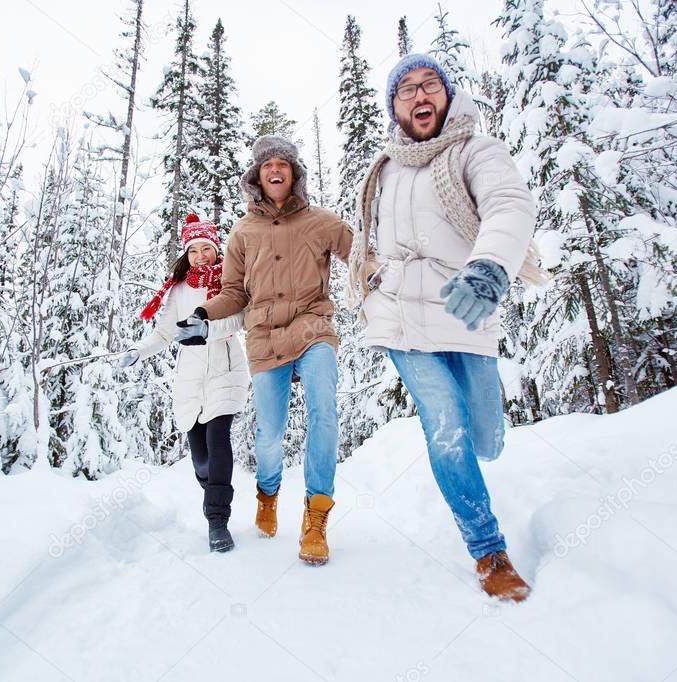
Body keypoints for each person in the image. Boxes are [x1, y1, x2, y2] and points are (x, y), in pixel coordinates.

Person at [347, 54, 546, 601]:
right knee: (446, 424)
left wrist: (488, 267)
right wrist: (373, 273)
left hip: (464, 310)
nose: (418, 95)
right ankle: (489, 552)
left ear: (447, 96)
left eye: (428, 84)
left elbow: (508, 205)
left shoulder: (475, 151)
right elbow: (370, 236)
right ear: (394, 106)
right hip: (400, 321)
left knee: (486, 437)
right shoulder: (383, 169)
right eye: (406, 89)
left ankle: (483, 456)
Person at [175, 135, 369, 566]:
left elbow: (361, 256)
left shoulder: (320, 222)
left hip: (313, 327)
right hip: (263, 338)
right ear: (257, 177)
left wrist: (382, 276)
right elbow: (233, 293)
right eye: (267, 166)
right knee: (270, 434)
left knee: (324, 411)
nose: (276, 170)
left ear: (294, 173)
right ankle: (268, 493)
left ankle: (316, 517)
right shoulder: (244, 232)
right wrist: (204, 313)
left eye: (283, 163)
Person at [121, 214, 249, 553]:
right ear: (186, 254)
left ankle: (217, 521)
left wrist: (207, 330)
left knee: (218, 437)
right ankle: (210, 488)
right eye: (194, 250)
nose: (201, 256)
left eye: (207, 248)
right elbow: (165, 332)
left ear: (216, 249)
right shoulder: (178, 290)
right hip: (191, 380)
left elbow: (237, 319)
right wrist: (139, 350)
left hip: (226, 371)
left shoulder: (229, 281)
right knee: (201, 458)